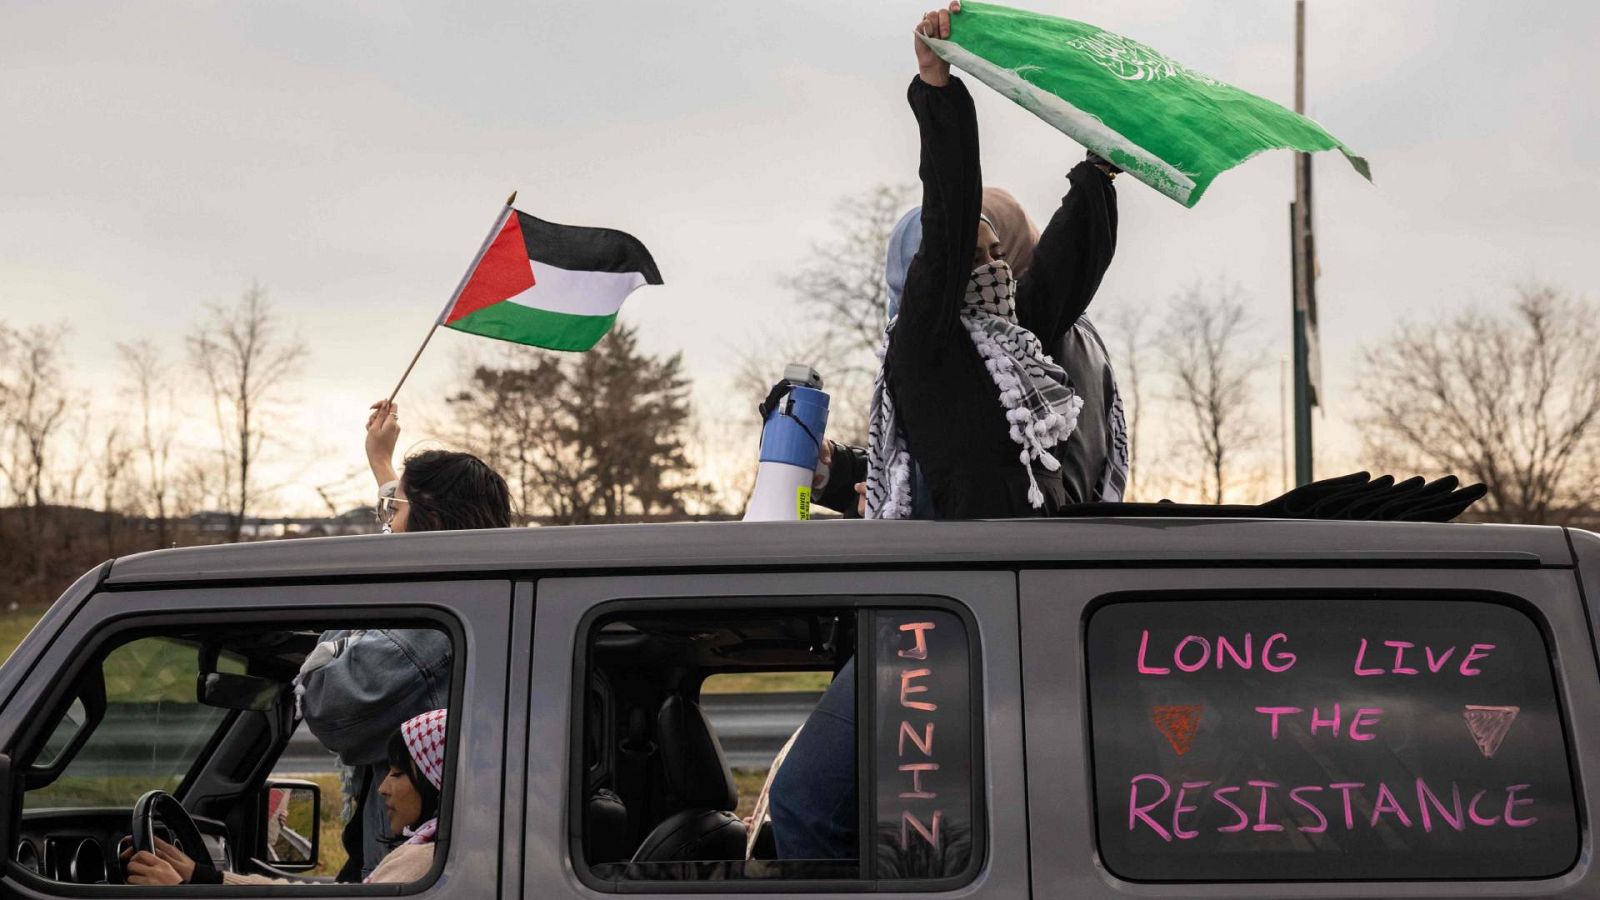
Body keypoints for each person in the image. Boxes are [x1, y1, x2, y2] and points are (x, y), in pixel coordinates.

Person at [861, 0, 1118, 520]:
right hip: (974, 571)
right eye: (976, 257)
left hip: (1045, 561)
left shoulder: (1019, 342)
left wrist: (1099, 170)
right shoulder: (927, 342)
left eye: (999, 253)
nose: (994, 268)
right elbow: (948, 216)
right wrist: (937, 90)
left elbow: (1064, 267)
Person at [296, 404, 510, 881]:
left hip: (406, 865)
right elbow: (414, 542)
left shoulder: (430, 625)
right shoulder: (475, 597)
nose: (387, 524)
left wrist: (356, 608)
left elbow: (325, 697)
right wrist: (382, 465)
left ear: (430, 524)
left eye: (394, 511)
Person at [124, 709, 449, 886]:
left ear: (435, 778)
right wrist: (202, 876)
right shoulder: (426, 850)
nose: (383, 788)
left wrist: (178, 894)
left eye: (397, 773)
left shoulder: (421, 862)